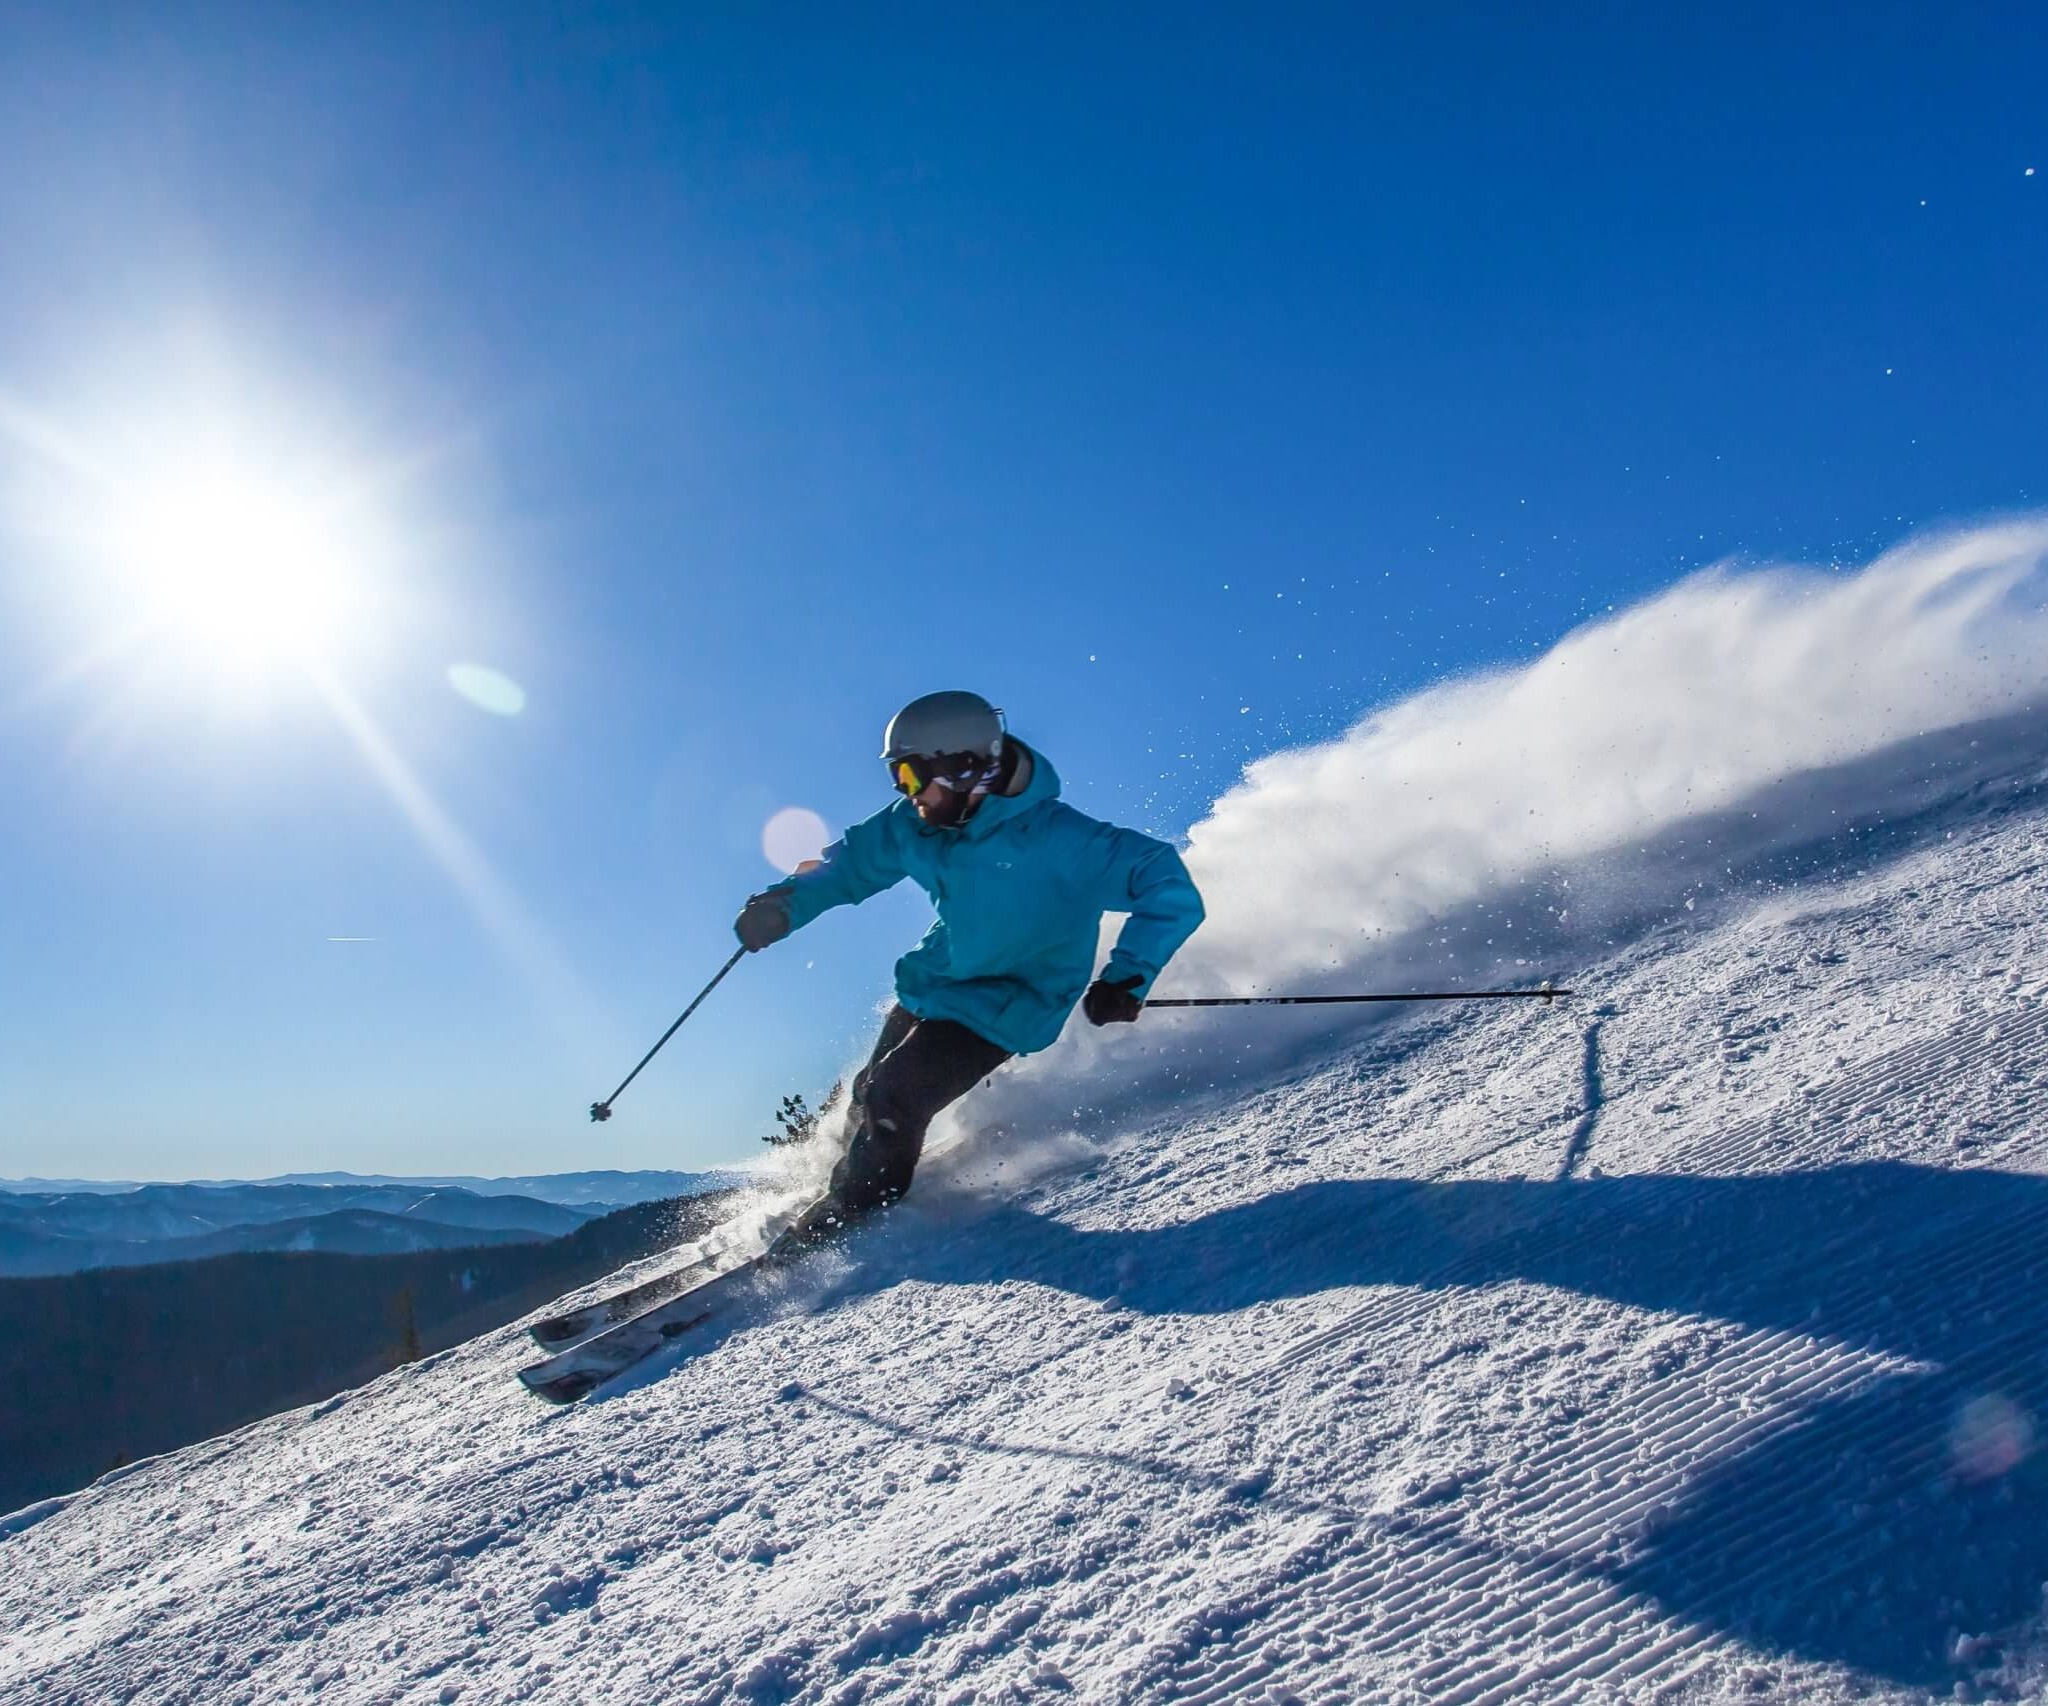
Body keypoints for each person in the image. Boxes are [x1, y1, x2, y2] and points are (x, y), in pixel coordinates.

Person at [734, 689, 1205, 1235]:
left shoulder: (1060, 840)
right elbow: (848, 866)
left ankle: (855, 1210)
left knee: (895, 1094)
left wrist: (1128, 975)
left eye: (911, 775)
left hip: (1013, 998)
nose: (904, 792)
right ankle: (847, 1178)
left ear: (965, 768)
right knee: (868, 1091)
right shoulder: (915, 823)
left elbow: (1167, 884)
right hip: (939, 979)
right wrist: (783, 907)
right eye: (897, 777)